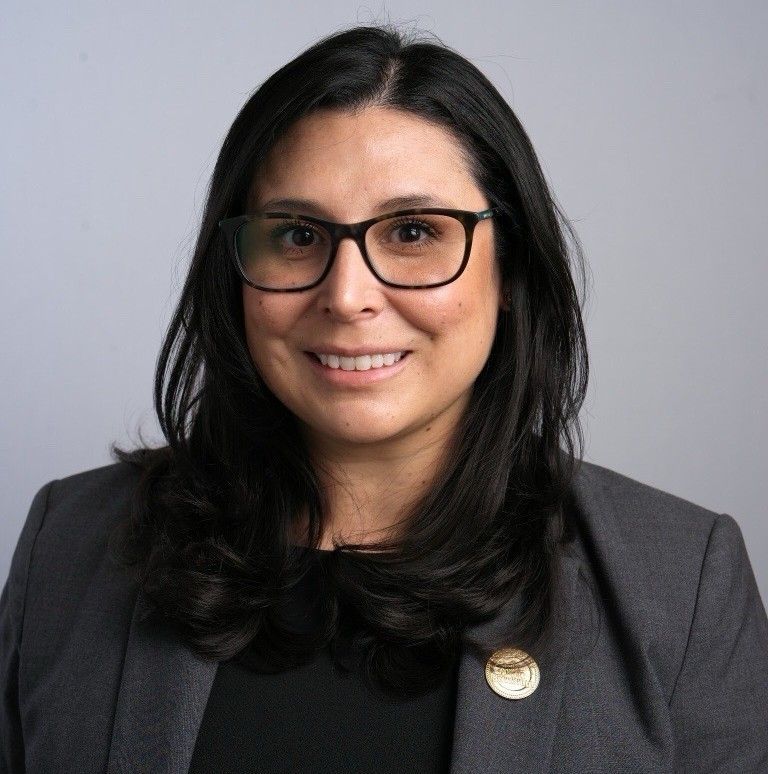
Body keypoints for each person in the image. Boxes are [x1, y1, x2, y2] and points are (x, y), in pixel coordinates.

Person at [1, 23, 767, 774]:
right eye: (297, 234)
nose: (347, 296)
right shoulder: (66, 549)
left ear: (512, 273)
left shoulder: (681, 588)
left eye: (412, 232)